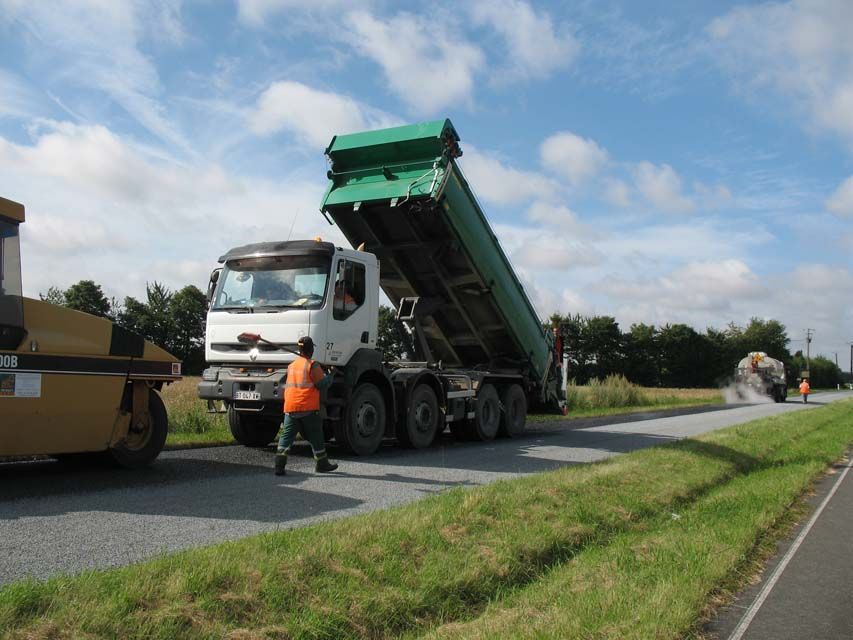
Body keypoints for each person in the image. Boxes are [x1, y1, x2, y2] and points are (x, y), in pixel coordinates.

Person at [274, 336, 338, 475]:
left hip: (290, 407)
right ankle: (322, 464)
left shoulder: (292, 366)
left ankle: (279, 466)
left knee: (286, 437)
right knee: (316, 436)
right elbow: (322, 384)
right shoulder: (312, 365)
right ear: (311, 349)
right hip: (307, 408)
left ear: (300, 349)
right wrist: (331, 374)